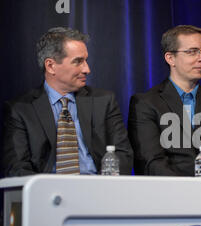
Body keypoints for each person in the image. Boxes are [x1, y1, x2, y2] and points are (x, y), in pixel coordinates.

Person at [2, 27, 133, 176]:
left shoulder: (103, 101)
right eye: (78, 62)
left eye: (86, 60)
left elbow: (123, 154)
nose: (87, 69)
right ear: (51, 66)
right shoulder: (21, 109)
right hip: (49, 194)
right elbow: (17, 168)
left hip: (98, 189)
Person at [128, 25, 201, 176]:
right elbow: (151, 161)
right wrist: (184, 194)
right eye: (192, 52)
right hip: (171, 194)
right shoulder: (145, 103)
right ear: (170, 58)